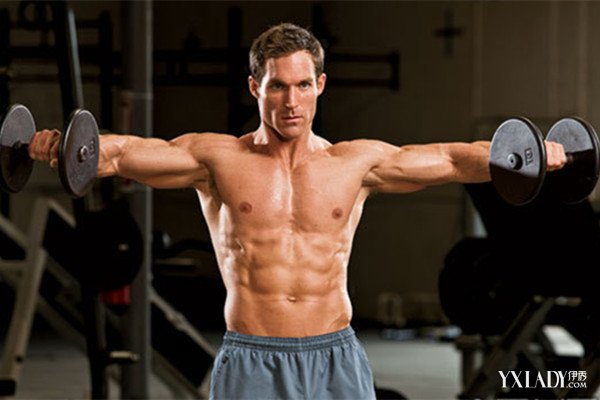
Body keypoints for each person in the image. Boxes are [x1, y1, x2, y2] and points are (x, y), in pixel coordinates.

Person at [29, 23, 567, 400]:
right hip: (252, 358)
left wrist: (529, 155)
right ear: (255, 87)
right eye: (278, 87)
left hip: (336, 356)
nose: (292, 102)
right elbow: (123, 153)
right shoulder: (217, 159)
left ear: (320, 86)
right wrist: (63, 146)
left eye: (304, 85)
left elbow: (449, 159)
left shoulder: (354, 163)